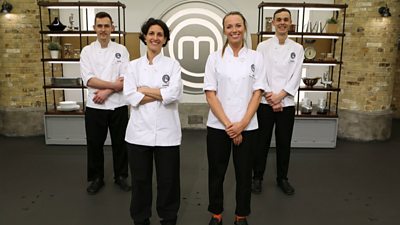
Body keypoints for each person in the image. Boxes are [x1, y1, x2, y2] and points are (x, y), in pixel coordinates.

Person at [204, 11, 265, 225]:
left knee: (244, 174)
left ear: (244, 28)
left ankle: (241, 215)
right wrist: (231, 126)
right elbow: (210, 94)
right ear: (224, 30)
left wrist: (242, 125)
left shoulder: (256, 57)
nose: (234, 30)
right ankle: (216, 214)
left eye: (238, 25)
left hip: (248, 126)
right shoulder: (214, 57)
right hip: (219, 126)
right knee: (216, 173)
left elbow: (257, 93)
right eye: (229, 26)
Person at [124, 18, 182, 225]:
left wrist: (145, 90)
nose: (155, 38)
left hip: (168, 134)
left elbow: (174, 94)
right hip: (138, 134)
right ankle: (141, 218)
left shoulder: (173, 65)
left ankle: (168, 218)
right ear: (145, 37)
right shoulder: (132, 66)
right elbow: (131, 96)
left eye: (160, 34)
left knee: (168, 181)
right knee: (140, 181)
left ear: (165, 39)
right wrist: (160, 93)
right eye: (151, 33)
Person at [252, 8, 304, 195]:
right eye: (279, 19)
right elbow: (259, 73)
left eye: (286, 19)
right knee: (261, 143)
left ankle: (282, 178)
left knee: (284, 143)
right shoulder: (262, 47)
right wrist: (270, 96)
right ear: (273, 23)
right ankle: (257, 177)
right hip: (265, 103)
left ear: (290, 23)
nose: (282, 22)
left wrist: (280, 96)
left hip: (287, 104)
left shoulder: (297, 49)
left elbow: (296, 76)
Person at [80, 12, 131, 195]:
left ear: (112, 28)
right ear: (94, 28)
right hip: (95, 106)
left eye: (106, 26)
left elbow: (126, 78)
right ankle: (96, 178)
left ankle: (121, 176)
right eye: (99, 26)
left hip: (118, 105)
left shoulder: (121, 50)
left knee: (121, 143)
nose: (103, 29)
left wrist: (107, 91)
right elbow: (89, 80)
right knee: (95, 144)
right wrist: (112, 85)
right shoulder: (87, 51)